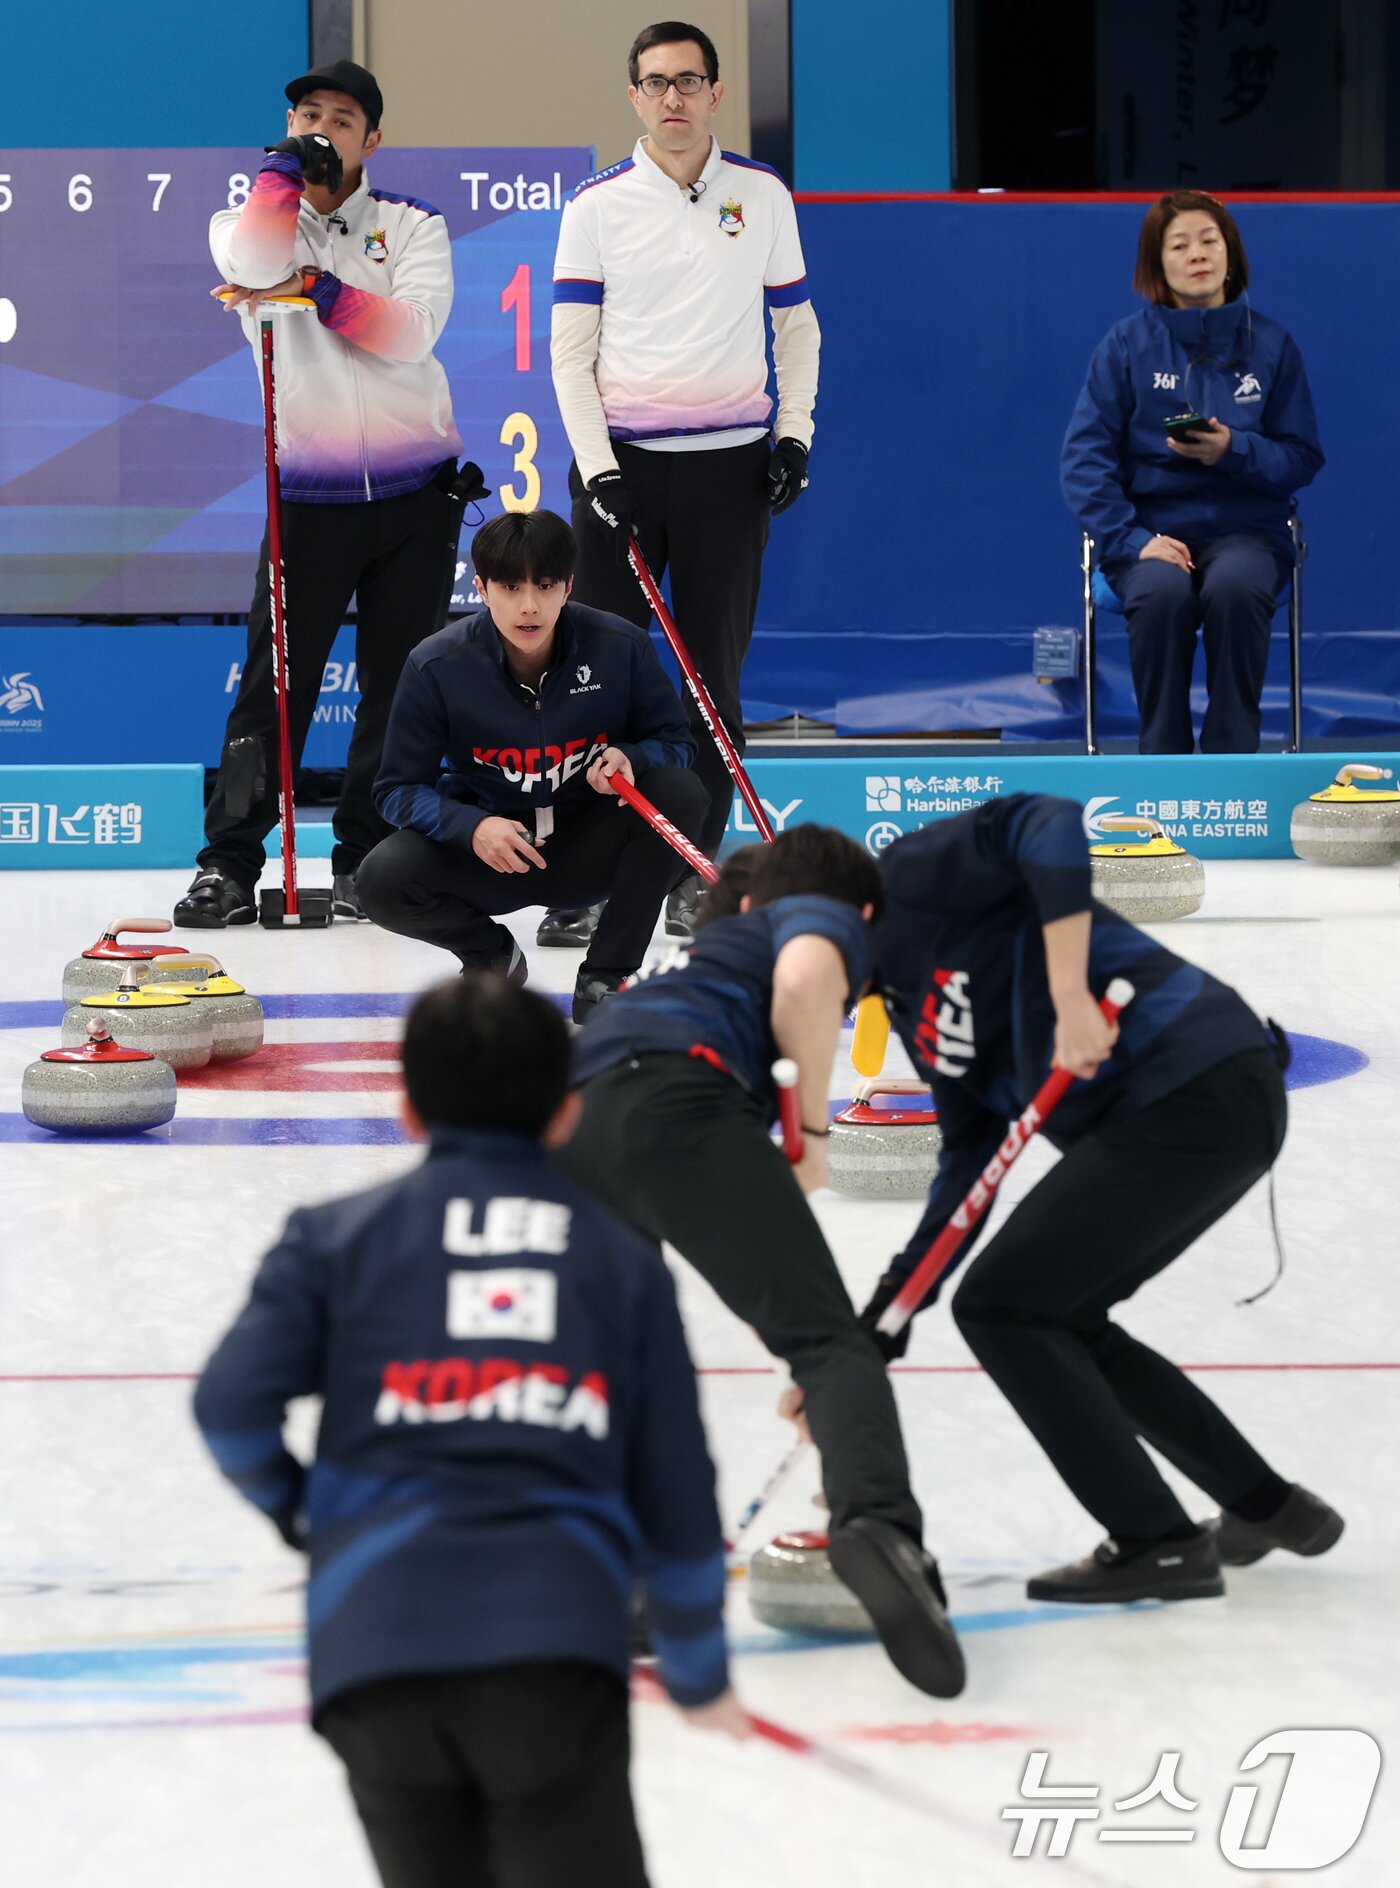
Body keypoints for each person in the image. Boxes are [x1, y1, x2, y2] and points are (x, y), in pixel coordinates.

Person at [194, 973, 746, 1888]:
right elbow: (679, 1494)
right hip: (551, 1650)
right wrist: (693, 1666)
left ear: (408, 1107)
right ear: (566, 1112)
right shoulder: (617, 1257)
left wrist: (304, 1513)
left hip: (372, 1652)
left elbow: (227, 1409)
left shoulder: (333, 1237)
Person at [858, 795, 1344, 1604]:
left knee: (1005, 1308)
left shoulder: (913, 876)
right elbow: (968, 1166)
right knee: (1059, 1314)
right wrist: (888, 1313)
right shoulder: (911, 1012)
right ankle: (1267, 1506)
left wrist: (1069, 992)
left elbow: (1044, 821)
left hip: (1198, 1084)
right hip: (1185, 1119)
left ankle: (1157, 1542)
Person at [556, 824, 967, 1699]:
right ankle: (880, 1527)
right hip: (678, 1092)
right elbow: (809, 980)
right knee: (832, 1343)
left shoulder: (692, 958)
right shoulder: (818, 910)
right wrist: (811, 1132)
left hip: (566, 1120)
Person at [541, 18, 820, 948]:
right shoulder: (596, 207)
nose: (672, 98)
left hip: (731, 473)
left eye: (688, 81)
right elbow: (569, 356)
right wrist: (599, 470)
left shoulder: (763, 195)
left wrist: (792, 435)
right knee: (593, 686)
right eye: (655, 82)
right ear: (633, 96)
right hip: (623, 475)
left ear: (714, 93)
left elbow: (799, 329)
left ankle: (700, 876)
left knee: (711, 685)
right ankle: (581, 876)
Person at [177, 57, 472, 929]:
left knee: (400, 684)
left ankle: (365, 859)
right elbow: (256, 259)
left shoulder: (415, 226)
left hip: (418, 494)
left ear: (372, 139)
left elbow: (410, 335)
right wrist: (282, 172)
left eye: (342, 118)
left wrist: (317, 289)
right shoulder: (247, 223)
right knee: (274, 685)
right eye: (308, 113)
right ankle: (228, 863)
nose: (322, 128)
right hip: (305, 494)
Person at [356, 509, 708, 1022]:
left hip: (589, 849)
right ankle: (490, 955)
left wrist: (632, 757)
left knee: (682, 793)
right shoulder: (436, 665)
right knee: (381, 879)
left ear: (568, 586)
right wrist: (472, 827)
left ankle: (606, 979)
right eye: (509, 586)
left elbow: (675, 742)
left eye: (545, 586)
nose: (529, 606)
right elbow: (396, 790)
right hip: (492, 855)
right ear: (481, 588)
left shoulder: (620, 647)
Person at [1061, 190, 1323, 754]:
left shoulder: (1273, 345)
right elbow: (1084, 461)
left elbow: (1301, 457)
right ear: (1158, 264)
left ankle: (1231, 766)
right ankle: (1163, 765)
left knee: (1234, 588)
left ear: (1231, 254)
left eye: (1210, 240)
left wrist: (1233, 449)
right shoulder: (1126, 346)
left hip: (1248, 531)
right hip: (1152, 534)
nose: (1198, 254)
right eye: (1179, 245)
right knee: (1161, 594)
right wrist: (1134, 540)